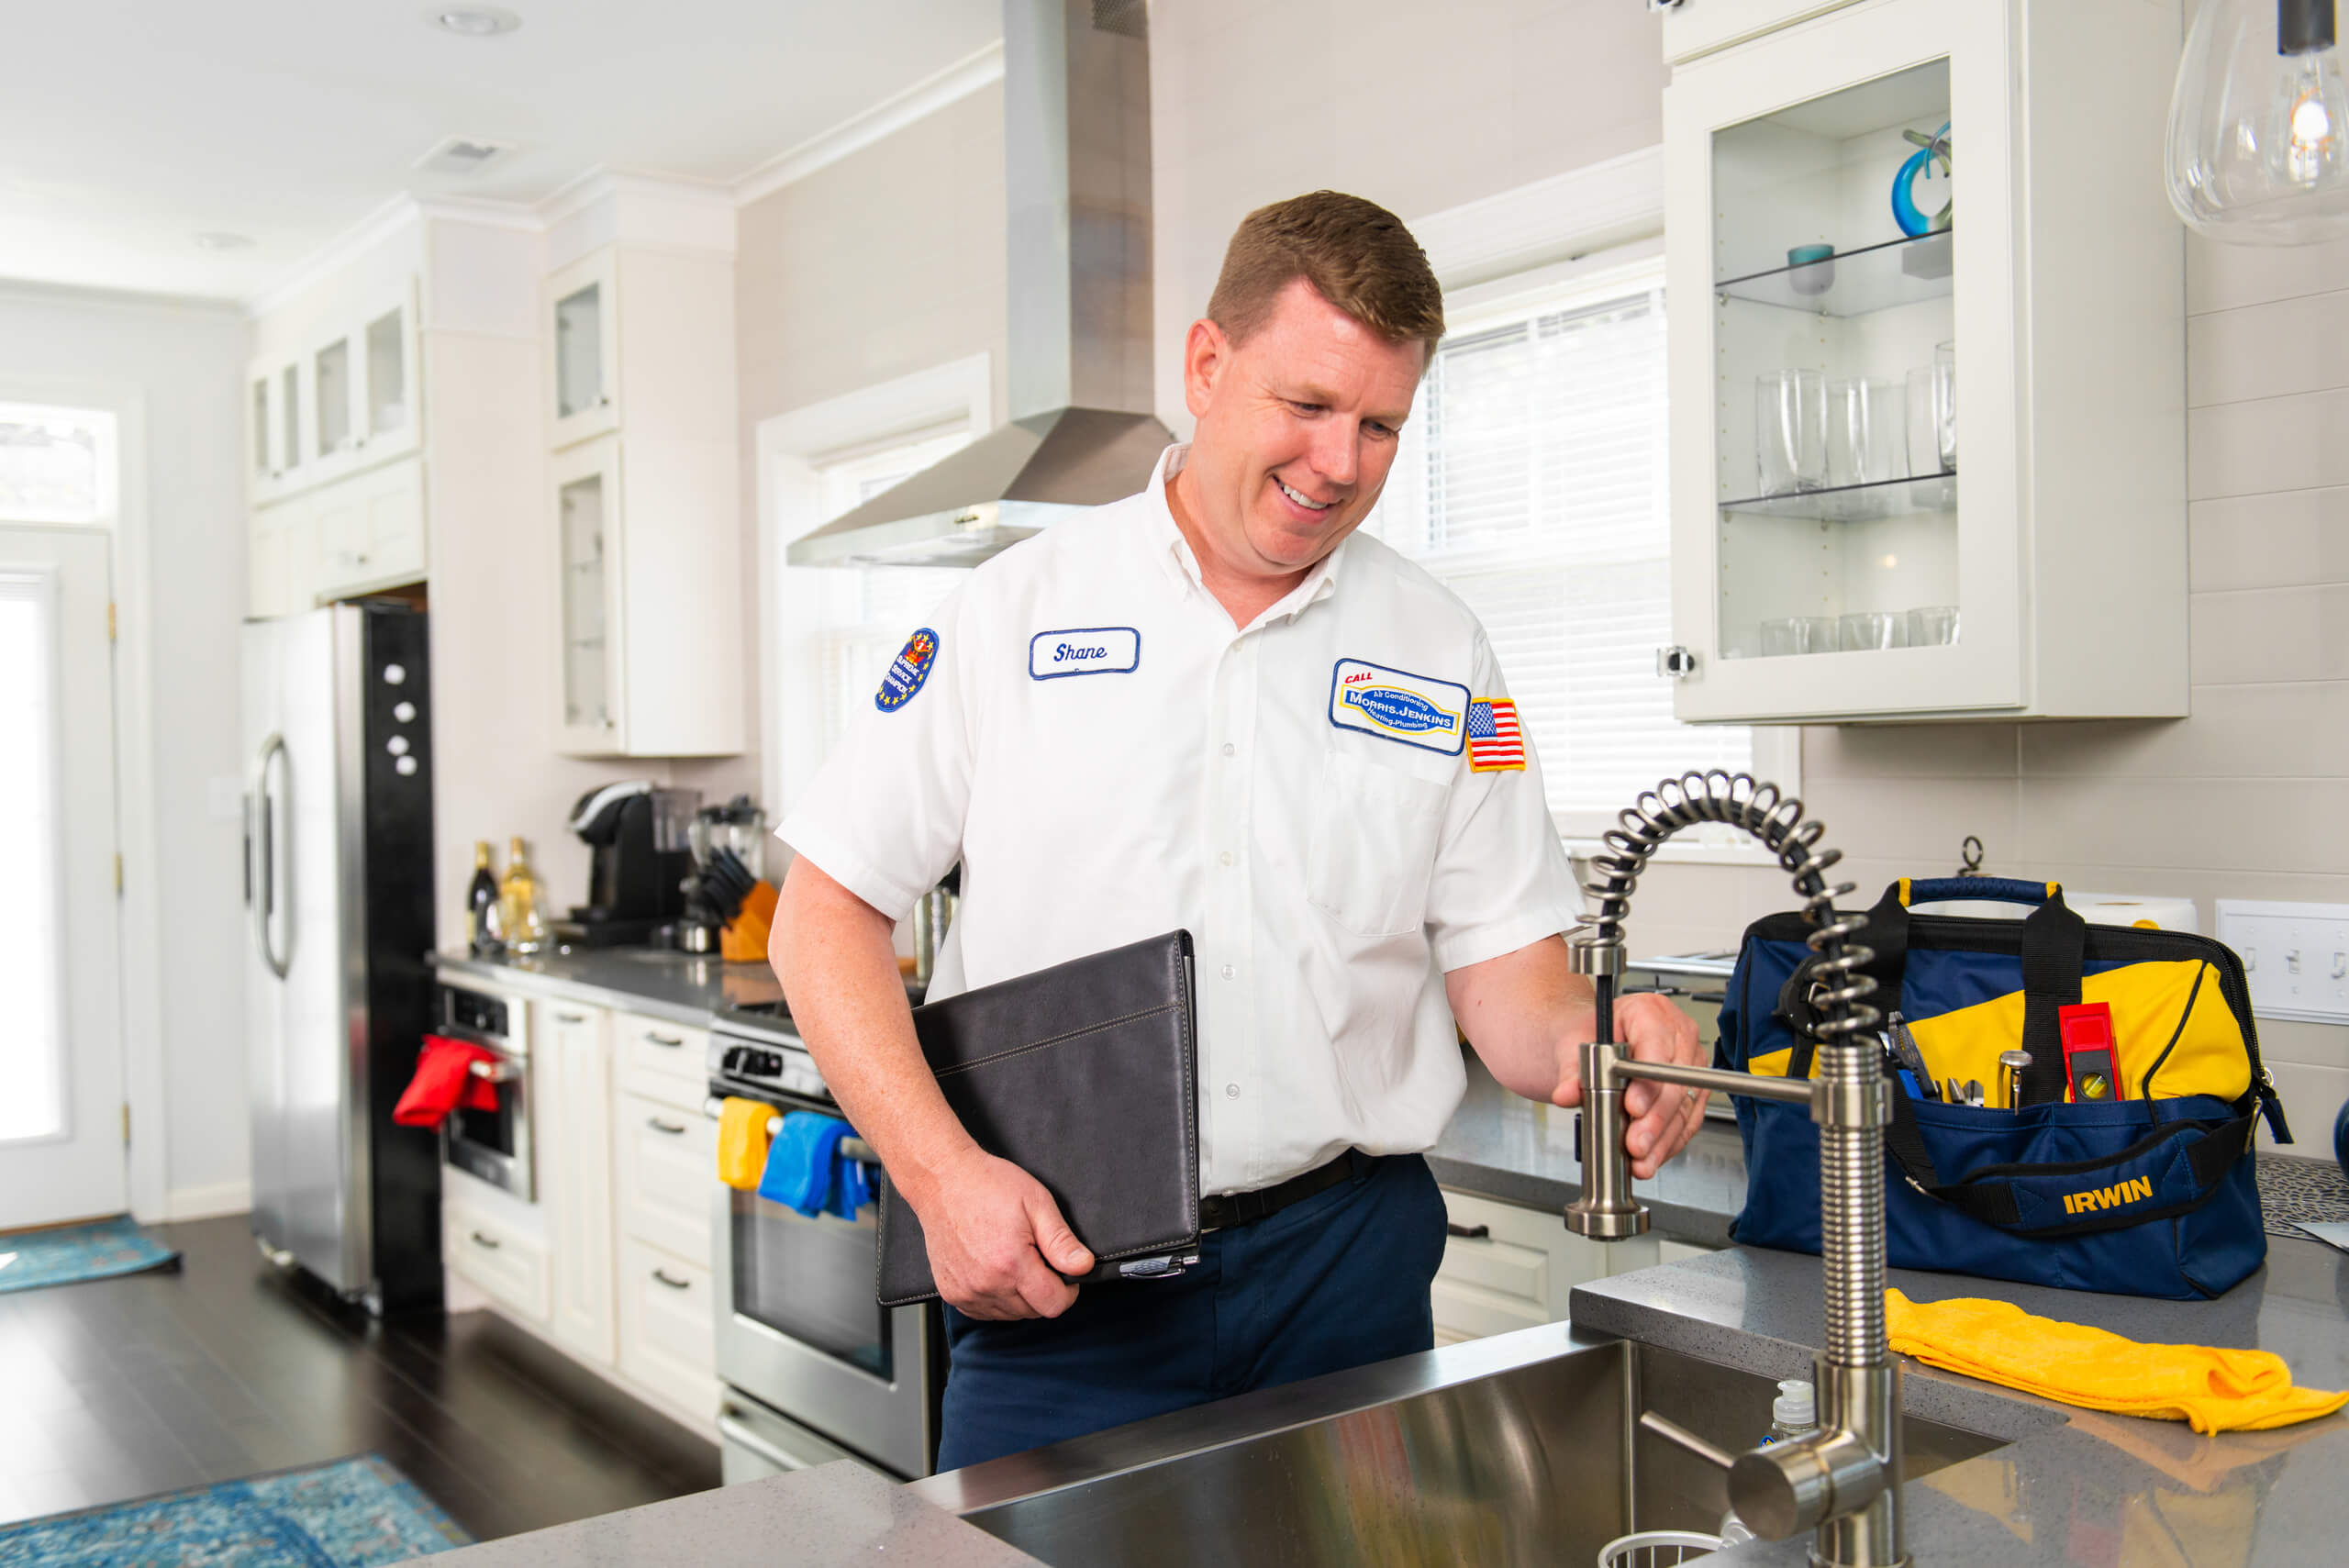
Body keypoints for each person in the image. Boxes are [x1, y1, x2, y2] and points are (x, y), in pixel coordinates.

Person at [770, 190, 1707, 1472]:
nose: (1340, 461)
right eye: (1308, 407)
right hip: (1068, 1281)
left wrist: (1603, 1035)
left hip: (1349, 1270)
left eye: (1380, 425)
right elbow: (824, 913)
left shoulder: (1445, 654)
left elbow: (1508, 979)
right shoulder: (1007, 616)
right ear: (1208, 366)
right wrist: (939, 1178)